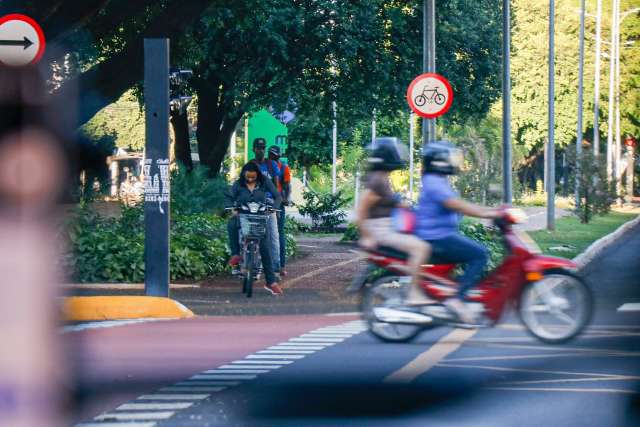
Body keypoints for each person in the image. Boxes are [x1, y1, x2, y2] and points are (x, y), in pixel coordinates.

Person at [415, 140, 500, 323]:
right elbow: (456, 205)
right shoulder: (433, 182)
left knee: (472, 253)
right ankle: (456, 299)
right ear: (439, 162)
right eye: (451, 158)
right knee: (480, 254)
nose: (454, 162)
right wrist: (488, 212)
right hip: (436, 238)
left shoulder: (438, 180)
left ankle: (456, 294)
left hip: (442, 235)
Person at [355, 137, 433, 305]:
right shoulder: (377, 180)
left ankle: (412, 284)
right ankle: (413, 293)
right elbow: (361, 210)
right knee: (421, 248)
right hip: (381, 231)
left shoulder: (381, 177)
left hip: (386, 227)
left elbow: (387, 201)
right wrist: (367, 236)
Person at [225, 162, 284, 296]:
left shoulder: (265, 182)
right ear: (243, 175)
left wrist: (274, 207)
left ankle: (271, 282)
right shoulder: (238, 184)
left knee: (265, 248)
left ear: (258, 175)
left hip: (260, 218)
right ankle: (235, 254)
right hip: (243, 216)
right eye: (248, 177)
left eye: (253, 177)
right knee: (231, 223)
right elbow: (229, 196)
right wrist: (231, 208)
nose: (250, 180)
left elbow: (278, 196)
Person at [251, 138, 281, 277]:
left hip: (269, 203)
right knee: (252, 236)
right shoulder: (250, 165)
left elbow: (276, 187)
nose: (261, 150)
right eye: (258, 148)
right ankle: (254, 266)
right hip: (254, 202)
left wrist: (276, 206)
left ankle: (275, 268)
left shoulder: (271, 164)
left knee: (273, 236)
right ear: (254, 149)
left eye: (263, 148)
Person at [268, 145, 291, 275]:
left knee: (279, 233)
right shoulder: (264, 166)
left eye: (275, 156)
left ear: (278, 157)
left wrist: (285, 199)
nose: (273, 158)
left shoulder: (283, 168)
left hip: (278, 203)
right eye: (271, 155)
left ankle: (281, 265)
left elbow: (287, 186)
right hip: (265, 202)